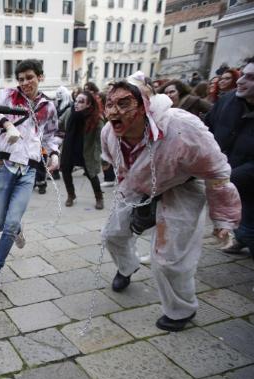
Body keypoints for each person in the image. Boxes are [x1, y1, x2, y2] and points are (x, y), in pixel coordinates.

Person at [101, 73, 241, 332]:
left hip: (183, 186)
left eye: (124, 104)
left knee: (168, 259)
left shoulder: (182, 127)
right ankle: (127, 266)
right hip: (136, 184)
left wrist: (223, 218)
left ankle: (181, 310)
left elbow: (217, 172)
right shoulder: (109, 132)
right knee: (111, 234)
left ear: (145, 106)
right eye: (110, 104)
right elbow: (117, 164)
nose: (113, 111)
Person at [0, 59, 59, 288]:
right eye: (21, 79)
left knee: (9, 222)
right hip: (3, 166)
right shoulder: (6, 96)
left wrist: (54, 153)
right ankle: (16, 229)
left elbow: (52, 133)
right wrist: (6, 123)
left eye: (29, 77)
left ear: (40, 77)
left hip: (28, 169)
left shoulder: (48, 105)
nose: (25, 82)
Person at [205, 57, 254, 260]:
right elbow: (205, 130)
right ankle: (240, 238)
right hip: (225, 178)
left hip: (247, 183)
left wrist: (227, 176)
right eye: (242, 74)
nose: (241, 81)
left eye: (250, 78)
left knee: (250, 225)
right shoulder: (228, 101)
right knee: (237, 222)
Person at [60, 91, 104, 209]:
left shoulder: (96, 118)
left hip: (86, 151)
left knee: (92, 175)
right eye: (76, 101)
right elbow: (60, 124)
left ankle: (99, 197)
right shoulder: (70, 112)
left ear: (89, 104)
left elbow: (102, 139)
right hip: (69, 148)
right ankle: (71, 195)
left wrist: (101, 155)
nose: (77, 104)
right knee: (65, 171)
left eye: (81, 102)